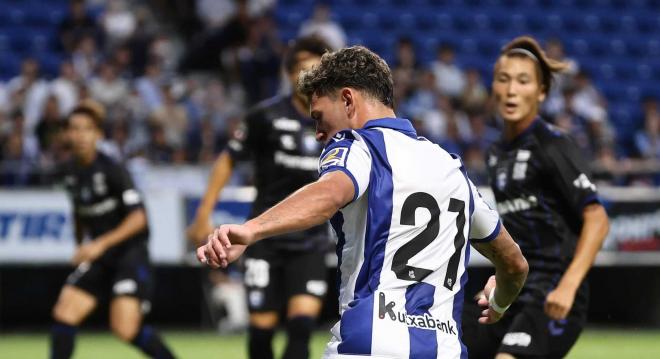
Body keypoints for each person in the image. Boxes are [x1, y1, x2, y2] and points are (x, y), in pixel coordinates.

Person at [198, 45, 529, 358]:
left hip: (369, 345)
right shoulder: (453, 169)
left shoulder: (359, 146)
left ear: (347, 100)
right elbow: (515, 264)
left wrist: (252, 229)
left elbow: (329, 193)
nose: (317, 133)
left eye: (318, 116)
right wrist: (498, 303)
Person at [461, 36, 611, 359]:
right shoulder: (495, 154)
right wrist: (502, 273)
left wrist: (569, 286)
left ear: (541, 93)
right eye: (504, 79)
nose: (512, 89)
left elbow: (597, 219)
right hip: (513, 287)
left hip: (553, 291)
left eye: (523, 81)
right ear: (494, 88)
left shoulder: (553, 145)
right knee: (443, 344)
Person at [186, 36, 332, 359]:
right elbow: (228, 159)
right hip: (265, 238)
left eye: (314, 68)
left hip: (311, 241)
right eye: (298, 68)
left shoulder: (335, 120)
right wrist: (203, 213)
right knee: (261, 333)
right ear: (289, 73)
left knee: (301, 330)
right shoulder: (264, 117)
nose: (305, 74)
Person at [50, 102, 176, 359]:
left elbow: (139, 219)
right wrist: (80, 244)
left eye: (87, 129)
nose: (81, 135)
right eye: (74, 129)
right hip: (101, 256)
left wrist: (99, 244)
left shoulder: (113, 170)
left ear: (98, 135)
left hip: (129, 255)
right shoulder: (69, 172)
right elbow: (79, 211)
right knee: (65, 312)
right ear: (66, 134)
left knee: (124, 328)